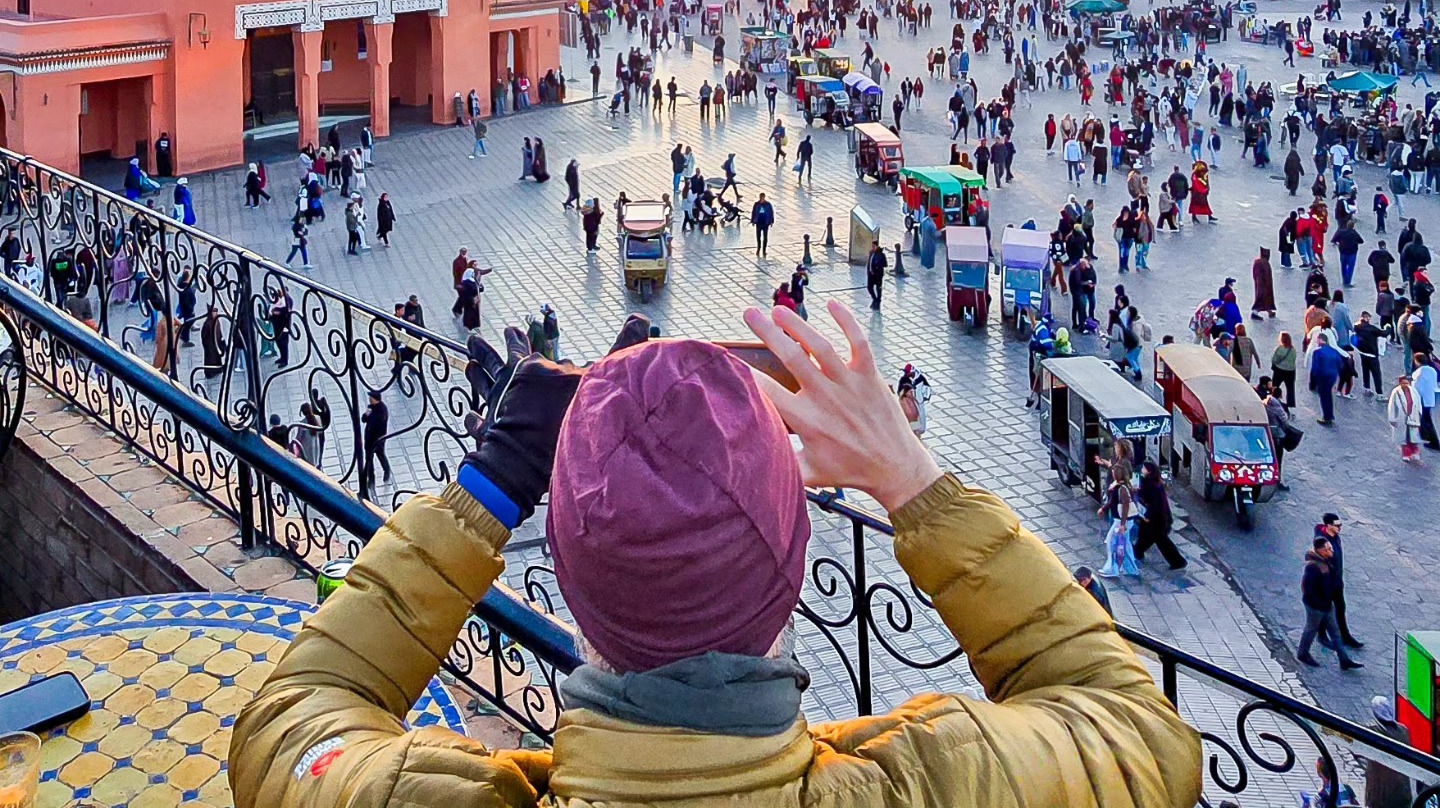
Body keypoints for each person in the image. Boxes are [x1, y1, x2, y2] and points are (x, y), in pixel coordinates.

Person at [229, 301, 1201, 808]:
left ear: (562, 567)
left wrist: (496, 478)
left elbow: (289, 720)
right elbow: (1140, 731)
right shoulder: (947, 784)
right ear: (794, 549)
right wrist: (911, 478)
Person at [1297, 535, 1362, 670]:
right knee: (1311, 629)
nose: (1331, 552)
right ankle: (1303, 653)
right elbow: (1309, 589)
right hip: (1316, 607)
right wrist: (1319, 605)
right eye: (1328, 549)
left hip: (1327, 604)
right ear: (1320, 551)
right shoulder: (1313, 567)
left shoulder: (1326, 561)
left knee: (1335, 631)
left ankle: (1344, 659)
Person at [1316, 514, 1364, 651]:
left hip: (1337, 581)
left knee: (1340, 608)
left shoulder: (1335, 537)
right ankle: (1321, 635)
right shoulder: (1322, 543)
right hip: (1326, 583)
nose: (1340, 528)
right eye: (1337, 525)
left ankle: (1345, 635)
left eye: (1340, 525)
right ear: (1329, 526)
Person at [1133, 461, 1186, 570]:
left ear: (1149, 471)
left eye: (1144, 468)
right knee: (1145, 537)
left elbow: (1154, 504)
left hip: (1156, 520)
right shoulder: (1152, 482)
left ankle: (1178, 562)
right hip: (1157, 519)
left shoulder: (1152, 486)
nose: (1142, 469)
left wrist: (1147, 516)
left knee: (1161, 541)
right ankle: (1137, 552)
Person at [359, 388, 391, 497]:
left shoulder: (382, 410)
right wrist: (366, 414)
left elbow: (376, 423)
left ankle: (386, 470)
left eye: (371, 398)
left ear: (376, 399)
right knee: (369, 459)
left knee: (380, 455)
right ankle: (371, 479)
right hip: (369, 438)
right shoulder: (370, 407)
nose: (369, 399)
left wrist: (370, 416)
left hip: (378, 439)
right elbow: (364, 419)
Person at [1388, 372, 1423, 462]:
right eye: (1403, 383)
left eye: (1406, 382)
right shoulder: (1396, 392)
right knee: (1404, 438)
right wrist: (1392, 418)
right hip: (1401, 417)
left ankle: (1414, 452)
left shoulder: (1413, 391)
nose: (1405, 384)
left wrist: (1419, 413)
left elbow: (1418, 403)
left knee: (1412, 437)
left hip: (1413, 417)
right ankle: (1406, 454)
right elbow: (1392, 405)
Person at [896, 363, 931, 435]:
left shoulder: (920, 379)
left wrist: (925, 397)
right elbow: (899, 390)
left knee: (918, 414)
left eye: (907, 372)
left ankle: (918, 430)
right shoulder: (904, 379)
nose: (906, 373)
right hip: (907, 400)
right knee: (910, 414)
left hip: (918, 400)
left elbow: (927, 387)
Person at [866, 240, 889, 310]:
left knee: (878, 288)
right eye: (872, 246)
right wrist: (868, 271)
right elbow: (869, 262)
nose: (873, 248)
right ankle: (874, 298)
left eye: (874, 246)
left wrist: (877, 265)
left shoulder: (881, 255)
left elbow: (885, 264)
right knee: (869, 287)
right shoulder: (871, 252)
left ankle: (878, 301)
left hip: (878, 274)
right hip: (870, 274)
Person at [750, 192, 774, 256]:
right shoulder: (756, 204)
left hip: (765, 222)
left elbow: (771, 212)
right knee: (758, 236)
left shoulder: (768, 204)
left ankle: (764, 250)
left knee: (765, 237)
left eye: (763, 197)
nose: (762, 198)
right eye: (761, 197)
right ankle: (758, 248)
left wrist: (771, 221)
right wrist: (752, 220)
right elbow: (753, 212)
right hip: (758, 222)